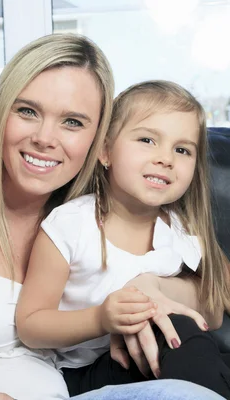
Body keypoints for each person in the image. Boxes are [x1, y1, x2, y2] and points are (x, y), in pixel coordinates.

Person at [0, 34, 225, 400]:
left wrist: (152, 288)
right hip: (75, 378)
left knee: (178, 334)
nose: (45, 138)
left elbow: (217, 296)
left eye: (73, 122)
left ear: (98, 140)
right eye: (28, 111)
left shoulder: (148, 214)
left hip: (121, 374)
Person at [15, 80, 230, 398]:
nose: (166, 158)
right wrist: (101, 319)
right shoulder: (71, 225)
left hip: (173, 360)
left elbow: (218, 296)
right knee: (177, 330)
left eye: (182, 149)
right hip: (89, 371)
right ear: (105, 150)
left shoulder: (182, 229)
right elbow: (31, 326)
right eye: (147, 140)